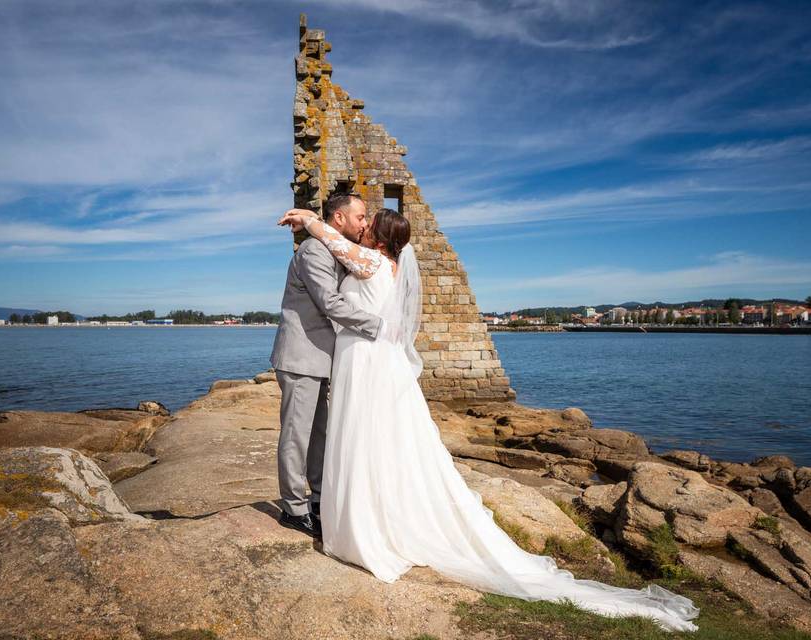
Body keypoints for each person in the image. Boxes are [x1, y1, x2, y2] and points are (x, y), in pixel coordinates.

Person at [276, 205, 701, 633]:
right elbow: (338, 253)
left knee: (365, 438)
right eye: (360, 218)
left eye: (369, 221)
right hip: (365, 359)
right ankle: (358, 510)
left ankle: (364, 520)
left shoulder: (368, 260)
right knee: (373, 440)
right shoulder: (381, 260)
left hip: (366, 358)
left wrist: (310, 219)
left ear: (381, 239)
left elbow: (334, 249)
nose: (363, 225)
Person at [269, 192, 388, 537]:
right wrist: (378, 326)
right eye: (361, 217)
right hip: (300, 356)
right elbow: (330, 303)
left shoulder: (333, 248)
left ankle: (319, 500)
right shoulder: (312, 252)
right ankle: (293, 508)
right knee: (296, 435)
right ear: (339, 219)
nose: (365, 223)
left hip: (321, 359)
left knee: (320, 435)